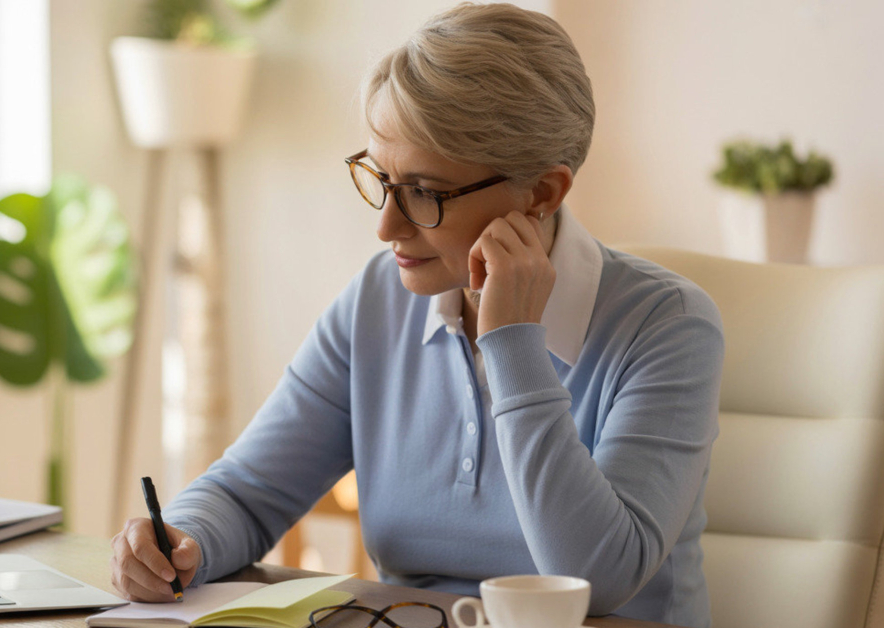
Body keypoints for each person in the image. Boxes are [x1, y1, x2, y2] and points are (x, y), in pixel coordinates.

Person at [109, 4, 723, 628]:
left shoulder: (668, 326)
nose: (386, 226)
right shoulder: (378, 299)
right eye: (382, 178)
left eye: (425, 193)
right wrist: (182, 542)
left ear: (542, 193)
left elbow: (596, 581)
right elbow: (247, 491)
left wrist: (513, 343)